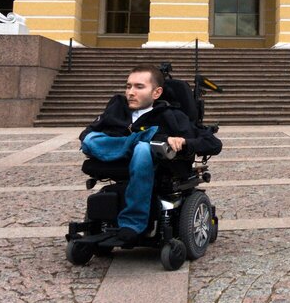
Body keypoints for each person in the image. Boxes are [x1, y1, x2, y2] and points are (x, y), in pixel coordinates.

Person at [79, 66, 221, 241]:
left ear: (156, 93)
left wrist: (184, 142)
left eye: (139, 87)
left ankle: (133, 223)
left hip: (155, 163)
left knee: (142, 148)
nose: (131, 92)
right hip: (118, 159)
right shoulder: (117, 108)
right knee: (91, 139)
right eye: (128, 86)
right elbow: (87, 136)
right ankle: (141, 138)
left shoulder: (172, 115)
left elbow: (213, 144)